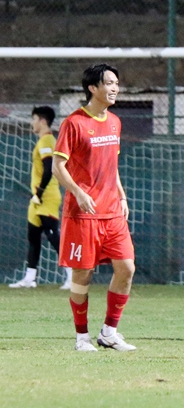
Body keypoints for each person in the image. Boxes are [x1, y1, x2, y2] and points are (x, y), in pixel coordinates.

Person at [53, 64, 136, 352]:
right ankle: (81, 337)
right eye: (109, 83)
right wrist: (77, 192)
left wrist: (122, 196)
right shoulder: (73, 123)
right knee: (83, 275)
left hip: (112, 212)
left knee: (126, 267)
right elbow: (58, 166)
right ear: (93, 88)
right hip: (83, 214)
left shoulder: (114, 122)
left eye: (117, 82)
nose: (115, 88)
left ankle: (109, 332)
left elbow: (111, 167)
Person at [9, 106, 72, 290]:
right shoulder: (45, 140)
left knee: (53, 237)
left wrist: (39, 192)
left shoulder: (46, 140)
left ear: (42, 121)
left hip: (47, 197)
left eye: (34, 119)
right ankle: (30, 278)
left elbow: (49, 167)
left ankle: (72, 276)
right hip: (38, 198)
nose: (32, 123)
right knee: (33, 236)